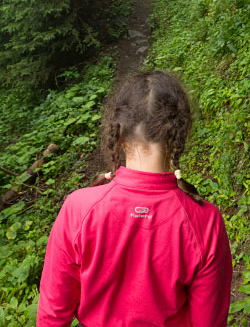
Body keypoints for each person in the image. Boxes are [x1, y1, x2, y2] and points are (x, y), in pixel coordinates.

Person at [37, 70, 232, 327]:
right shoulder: (205, 221)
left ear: (118, 134)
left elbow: (52, 316)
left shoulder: (78, 208)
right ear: (179, 135)